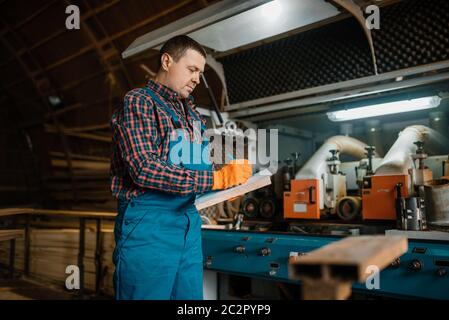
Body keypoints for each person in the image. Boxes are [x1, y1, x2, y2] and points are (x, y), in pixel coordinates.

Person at [110, 35, 252, 300]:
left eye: (200, 72)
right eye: (192, 69)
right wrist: (215, 180)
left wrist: (228, 179)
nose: (197, 78)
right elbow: (144, 168)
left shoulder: (192, 115)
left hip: (188, 225)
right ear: (167, 61)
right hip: (149, 229)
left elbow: (198, 167)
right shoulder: (139, 102)